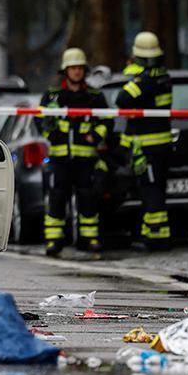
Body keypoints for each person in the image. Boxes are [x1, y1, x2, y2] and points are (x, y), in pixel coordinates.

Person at [37, 48, 111, 256]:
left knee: (87, 198)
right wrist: (50, 133)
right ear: (65, 70)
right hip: (60, 158)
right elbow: (39, 119)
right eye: (73, 68)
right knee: (57, 199)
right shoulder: (53, 96)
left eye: (80, 68)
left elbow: (107, 120)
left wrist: (96, 136)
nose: (77, 72)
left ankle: (90, 239)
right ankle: (54, 241)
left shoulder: (94, 97)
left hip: (86, 158)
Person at [115, 31, 173, 250]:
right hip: (162, 145)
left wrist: (134, 78)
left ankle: (157, 238)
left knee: (152, 191)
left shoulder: (146, 80)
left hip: (149, 146)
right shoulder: (164, 77)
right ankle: (153, 233)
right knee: (155, 189)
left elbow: (122, 99)